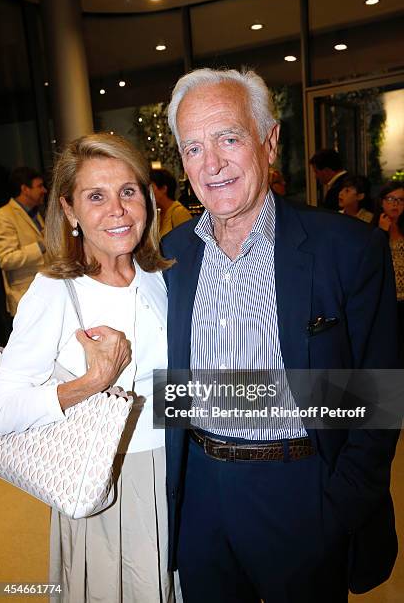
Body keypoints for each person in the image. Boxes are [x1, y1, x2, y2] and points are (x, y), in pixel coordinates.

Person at [161, 68, 399, 603]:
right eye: (193, 147)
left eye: (229, 137)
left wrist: (336, 507)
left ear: (269, 141)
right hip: (199, 493)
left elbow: (378, 397)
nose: (212, 163)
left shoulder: (346, 249)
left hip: (301, 490)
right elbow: (172, 377)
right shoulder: (173, 255)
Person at [0, 133, 175, 603]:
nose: (117, 209)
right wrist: (90, 383)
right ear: (70, 209)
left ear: (148, 198)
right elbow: (0, 409)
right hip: (103, 481)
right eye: (96, 196)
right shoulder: (55, 289)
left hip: (174, 471)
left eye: (128, 191)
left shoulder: (161, 277)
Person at [0, 167, 47, 316]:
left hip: (44, 294)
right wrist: (42, 245)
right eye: (39, 186)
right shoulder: (4, 215)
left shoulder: (36, 213)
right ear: (25, 189)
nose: (44, 190)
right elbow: (6, 259)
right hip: (25, 298)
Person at [373, 180, 404, 361]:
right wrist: (382, 233)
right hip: (386, 300)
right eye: (390, 199)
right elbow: (373, 263)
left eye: (400, 200)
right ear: (382, 202)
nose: (395, 204)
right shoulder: (372, 228)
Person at [150, 168, 192, 237]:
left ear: (164, 189)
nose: (149, 193)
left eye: (151, 188)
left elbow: (190, 241)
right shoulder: (159, 214)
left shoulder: (179, 212)